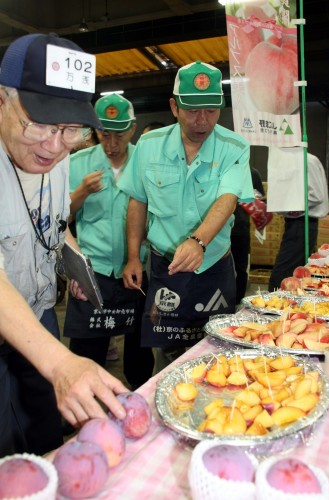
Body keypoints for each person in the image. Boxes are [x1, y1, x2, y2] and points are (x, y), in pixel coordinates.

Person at [0, 33, 127, 458]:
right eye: (38, 123)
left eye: (70, 130)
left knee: (46, 444)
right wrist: (60, 364)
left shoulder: (57, 154)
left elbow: (52, 225)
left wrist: (73, 262)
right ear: (2, 99)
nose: (53, 146)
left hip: (38, 319)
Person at [118, 61, 254, 372]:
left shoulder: (234, 147)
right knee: (168, 349)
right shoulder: (150, 146)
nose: (202, 120)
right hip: (167, 265)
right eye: (193, 110)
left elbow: (227, 199)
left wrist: (198, 241)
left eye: (211, 110)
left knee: (217, 346)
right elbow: (137, 202)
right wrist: (132, 257)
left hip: (214, 263)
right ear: (174, 107)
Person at [63, 93, 154, 389]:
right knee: (88, 351)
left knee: (139, 350)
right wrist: (80, 193)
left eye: (119, 134)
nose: (112, 144)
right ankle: (84, 410)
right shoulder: (77, 164)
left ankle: (140, 398)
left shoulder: (148, 162)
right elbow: (59, 218)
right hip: (94, 272)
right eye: (104, 134)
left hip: (137, 271)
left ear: (132, 129)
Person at [268, 151, 329, 291]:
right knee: (294, 270)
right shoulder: (290, 162)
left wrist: (291, 207)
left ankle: (272, 306)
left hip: (303, 222)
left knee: (283, 270)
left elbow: (315, 195)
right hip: (295, 222)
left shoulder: (307, 161)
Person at [231, 167, 265, 305]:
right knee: (216, 266)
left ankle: (238, 302)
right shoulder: (218, 167)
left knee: (240, 268)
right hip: (216, 229)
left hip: (240, 227)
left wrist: (250, 199)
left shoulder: (252, 173)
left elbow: (261, 199)